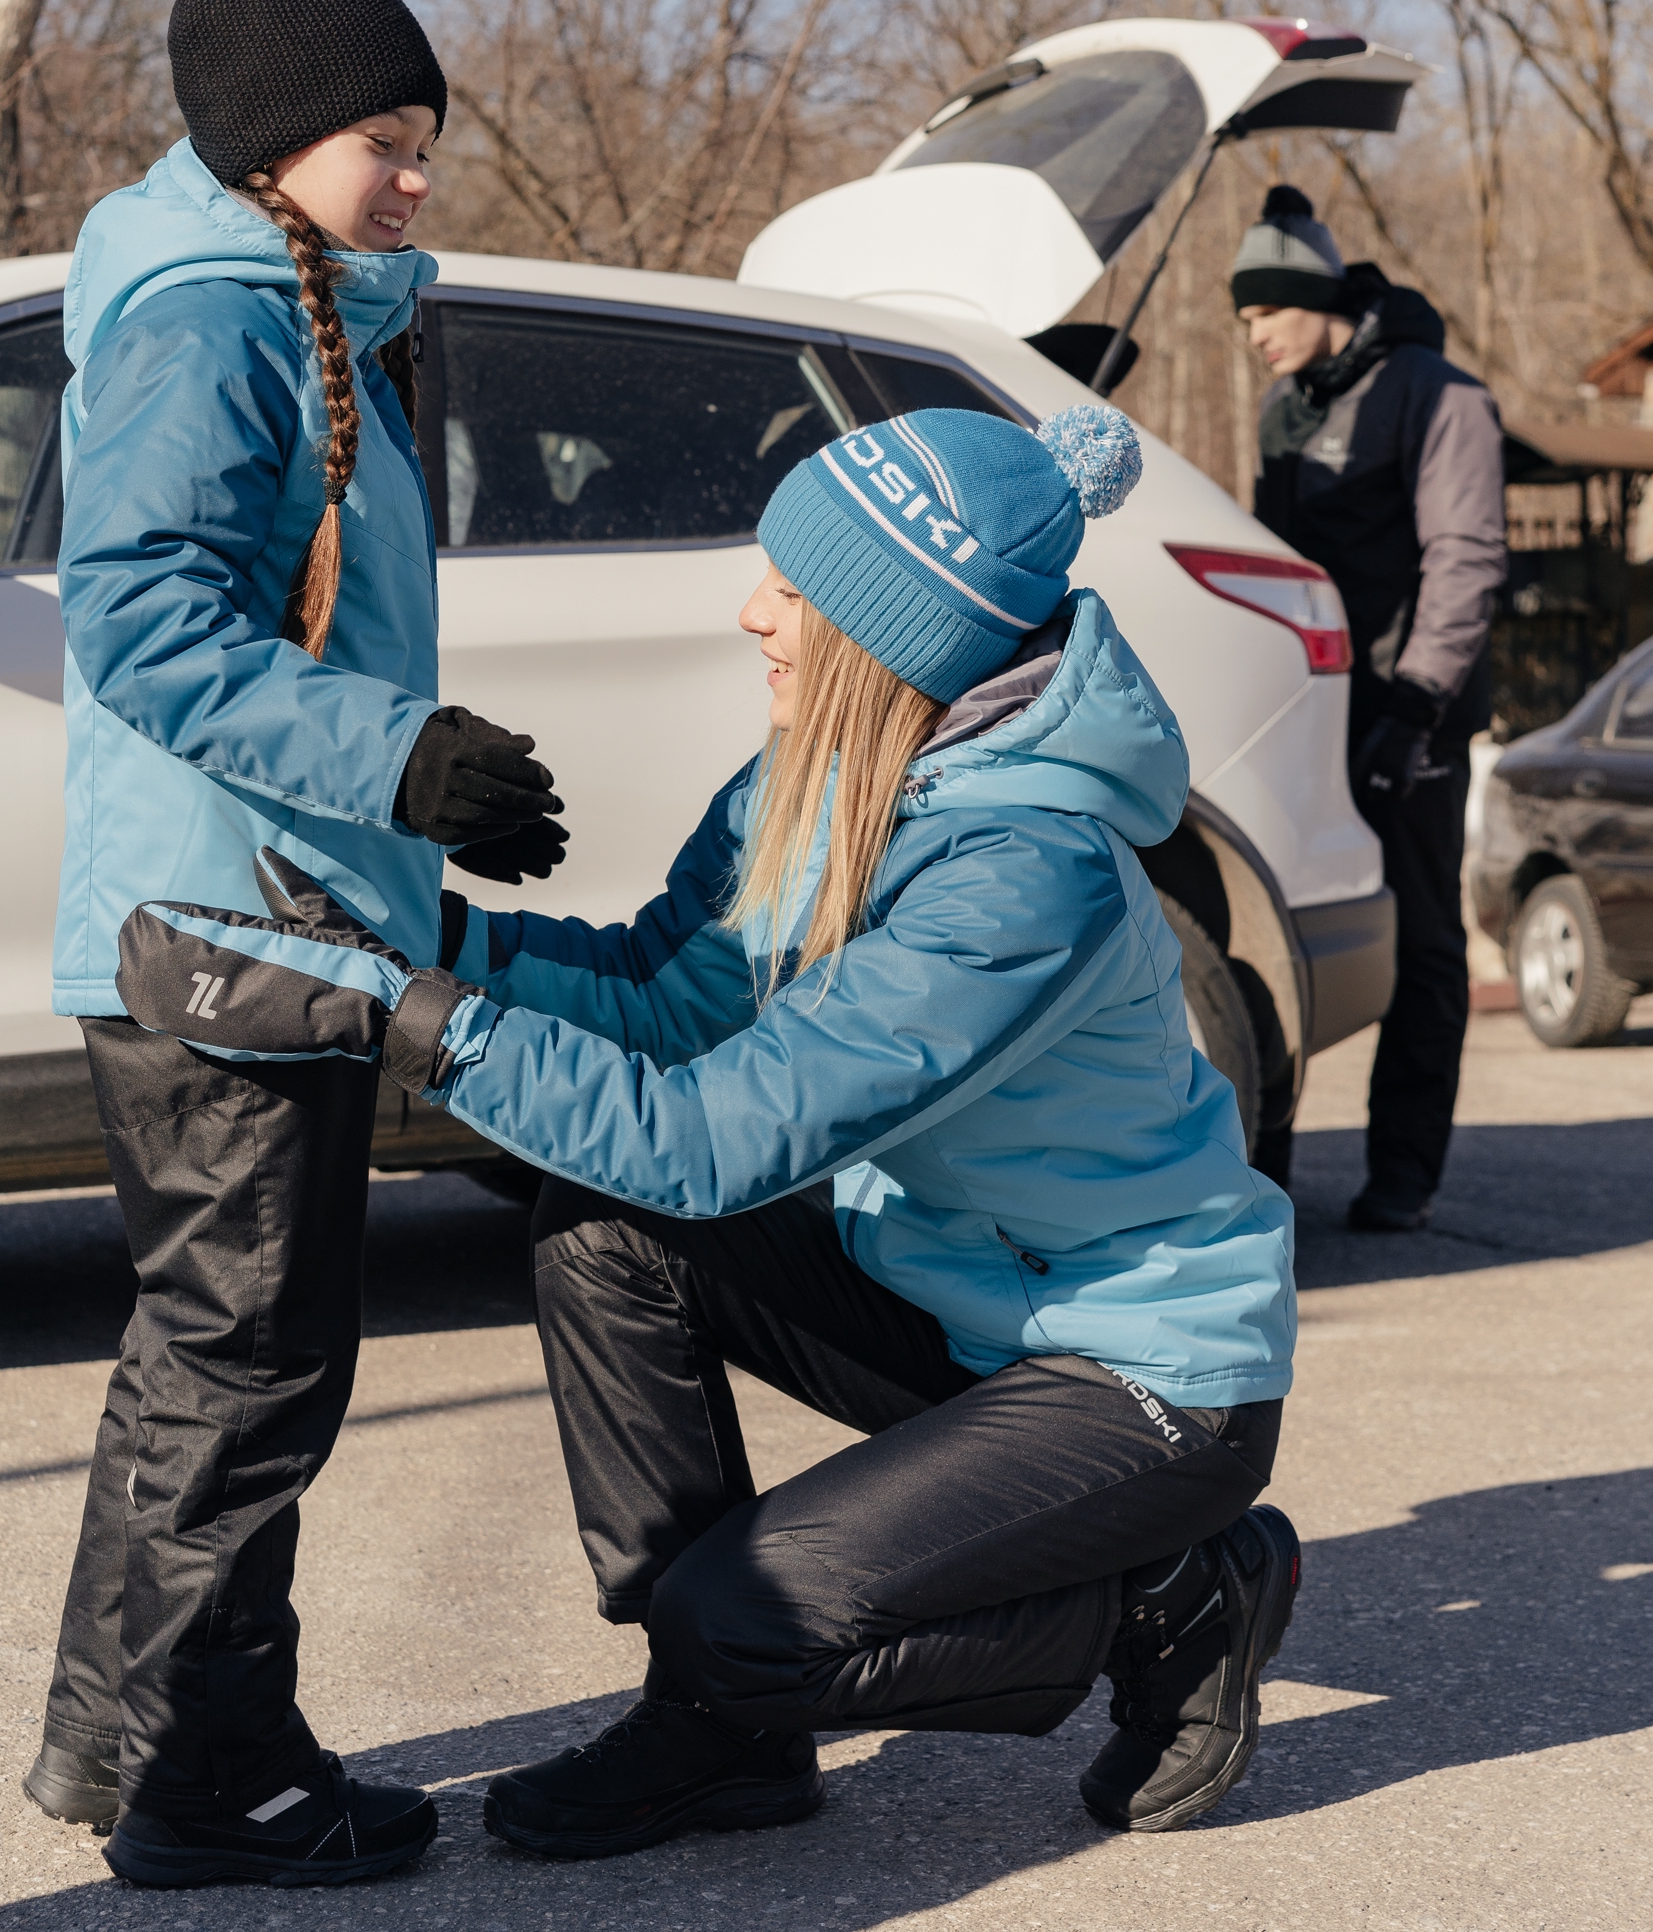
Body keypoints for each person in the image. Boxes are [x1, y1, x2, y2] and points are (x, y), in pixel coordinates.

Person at [119, 402, 1302, 1856]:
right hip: (954, 1300)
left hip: (1141, 1377)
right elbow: (666, 1003)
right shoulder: (818, 785)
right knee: (604, 1235)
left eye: (795, 594)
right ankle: (717, 1730)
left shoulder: (1022, 873)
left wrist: (397, 1020)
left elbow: (716, 1142)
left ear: (899, 637)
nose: (753, 614)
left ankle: (1169, 1596)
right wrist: (425, 938)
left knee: (756, 1614)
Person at [24, 0, 566, 1891]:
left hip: (273, 917)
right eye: (385, 141)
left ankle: (220, 1748)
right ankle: (175, 1769)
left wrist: (416, 810)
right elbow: (150, 625)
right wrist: (395, 762)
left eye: (427, 137)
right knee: (238, 1363)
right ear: (272, 145)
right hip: (216, 932)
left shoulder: (299, 293)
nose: (417, 177)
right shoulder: (215, 315)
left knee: (251, 1360)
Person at [1232, 186, 1507, 1230]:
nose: (1250, 334)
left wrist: (1417, 708)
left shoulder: (1436, 395)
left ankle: (1402, 1175)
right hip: (1311, 714)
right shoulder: (1283, 407)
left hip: (1412, 720)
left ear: (1311, 297)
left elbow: (1465, 559)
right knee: (1290, 930)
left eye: (1261, 311)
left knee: (1424, 944)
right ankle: (1264, 1171)